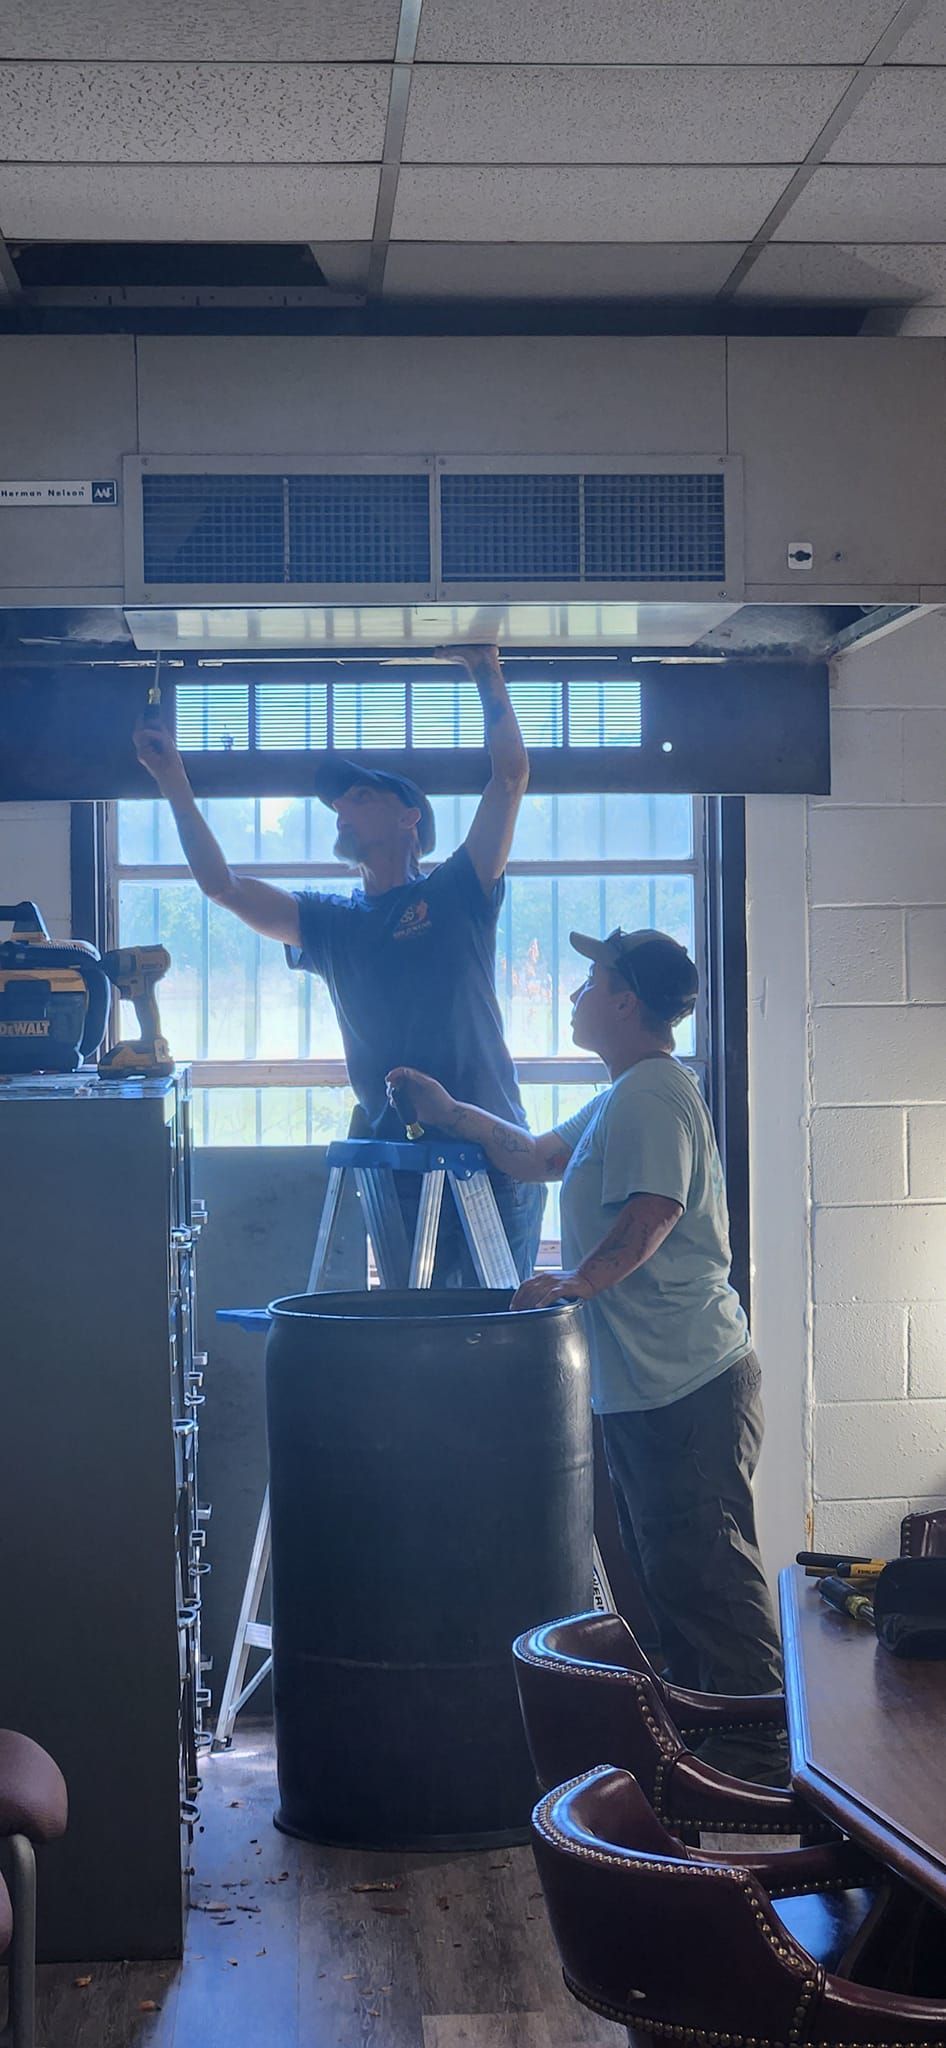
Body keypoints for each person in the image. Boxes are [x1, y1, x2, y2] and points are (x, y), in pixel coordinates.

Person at [387, 926, 786, 1780]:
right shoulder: (621, 1096)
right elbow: (535, 1157)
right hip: (650, 1387)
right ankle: (714, 1750)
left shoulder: (652, 1095)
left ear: (625, 1002)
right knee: (672, 1577)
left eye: (590, 981)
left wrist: (578, 1282)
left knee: (708, 1575)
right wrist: (450, 1112)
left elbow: (654, 1210)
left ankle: (759, 1758)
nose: (575, 995)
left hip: (687, 1381)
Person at [133, 645, 544, 1286]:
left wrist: (486, 670)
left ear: (409, 818)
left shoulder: (455, 892)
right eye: (338, 805)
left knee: (502, 1329)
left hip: (491, 1154)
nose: (341, 810)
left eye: (359, 796)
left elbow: (510, 777)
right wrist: (171, 779)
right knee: (416, 1334)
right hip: (401, 1164)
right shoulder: (331, 923)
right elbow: (222, 886)